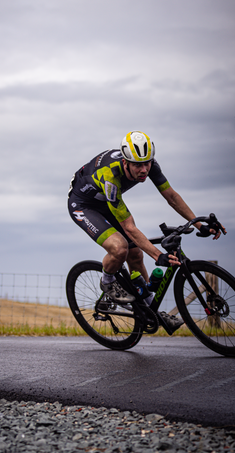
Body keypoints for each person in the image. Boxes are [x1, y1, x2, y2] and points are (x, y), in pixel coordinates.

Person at [67, 131, 226, 333]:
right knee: (120, 247)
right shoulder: (110, 175)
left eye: (147, 164)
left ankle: (151, 309)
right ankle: (107, 282)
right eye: (137, 165)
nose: (144, 170)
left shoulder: (148, 164)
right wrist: (158, 255)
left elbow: (171, 196)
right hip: (83, 205)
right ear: (126, 163)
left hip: (106, 202)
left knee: (135, 253)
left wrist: (199, 225)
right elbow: (129, 227)